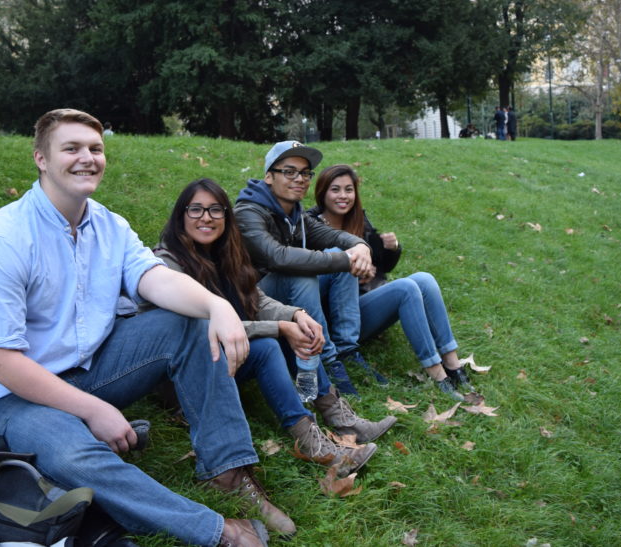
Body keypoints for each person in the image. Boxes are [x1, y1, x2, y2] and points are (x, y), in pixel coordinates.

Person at [0, 109, 286, 547]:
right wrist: (93, 410)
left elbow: (155, 279)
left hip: (88, 370)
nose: (86, 158)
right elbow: (0, 361)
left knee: (188, 322)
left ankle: (228, 473)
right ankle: (216, 531)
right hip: (10, 396)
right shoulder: (2, 240)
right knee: (72, 455)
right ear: (41, 159)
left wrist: (215, 304)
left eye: (95, 148)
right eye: (70, 148)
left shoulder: (110, 225)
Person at [152, 178, 395, 471]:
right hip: (185, 376)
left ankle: (340, 418)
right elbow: (200, 328)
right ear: (181, 216)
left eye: (216, 210)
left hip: (224, 357)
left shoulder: (223, 253)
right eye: (196, 210)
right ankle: (311, 442)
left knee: (299, 332)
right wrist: (279, 328)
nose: (207, 217)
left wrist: (294, 315)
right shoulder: (167, 264)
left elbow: (257, 298)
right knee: (269, 344)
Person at [307, 164, 478, 402]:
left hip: (361, 304)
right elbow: (312, 281)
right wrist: (352, 270)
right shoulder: (310, 224)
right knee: (406, 288)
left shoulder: (358, 220)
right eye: (335, 190)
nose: (343, 196)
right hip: (333, 319)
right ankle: (437, 375)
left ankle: (452, 364)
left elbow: (381, 264)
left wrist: (391, 249)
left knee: (424, 279)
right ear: (322, 192)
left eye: (349, 189)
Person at [233, 140, 386, 398]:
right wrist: (345, 259)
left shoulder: (297, 217)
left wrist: (361, 247)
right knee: (305, 272)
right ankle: (326, 360)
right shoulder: (248, 212)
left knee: (337, 257)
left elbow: (336, 237)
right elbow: (277, 257)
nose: (300, 179)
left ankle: (346, 350)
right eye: (289, 171)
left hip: (287, 298)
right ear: (269, 176)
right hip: (253, 301)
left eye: (305, 173)